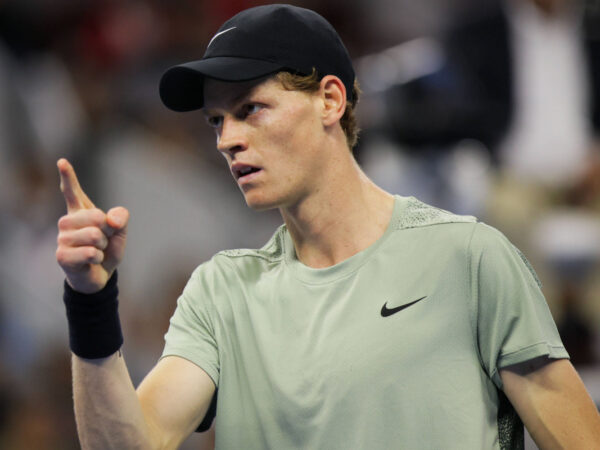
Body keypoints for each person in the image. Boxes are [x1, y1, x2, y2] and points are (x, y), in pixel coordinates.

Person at [55, 4, 600, 449]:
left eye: (251, 109)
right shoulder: (218, 293)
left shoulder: (472, 259)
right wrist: (90, 302)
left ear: (330, 100)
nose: (226, 139)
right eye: (217, 120)